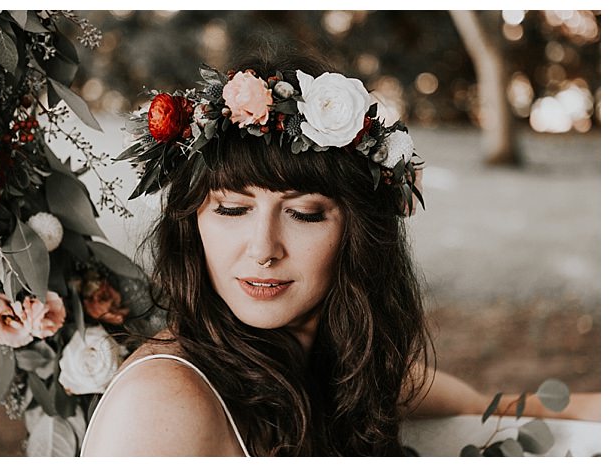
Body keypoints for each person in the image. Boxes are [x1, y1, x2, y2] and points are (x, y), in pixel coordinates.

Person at [81, 46, 599, 457]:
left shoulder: (335, 365)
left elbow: (464, 399)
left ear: (358, 230)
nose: (263, 250)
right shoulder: (166, 401)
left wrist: (582, 410)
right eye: (231, 211)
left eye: (304, 213)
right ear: (192, 224)